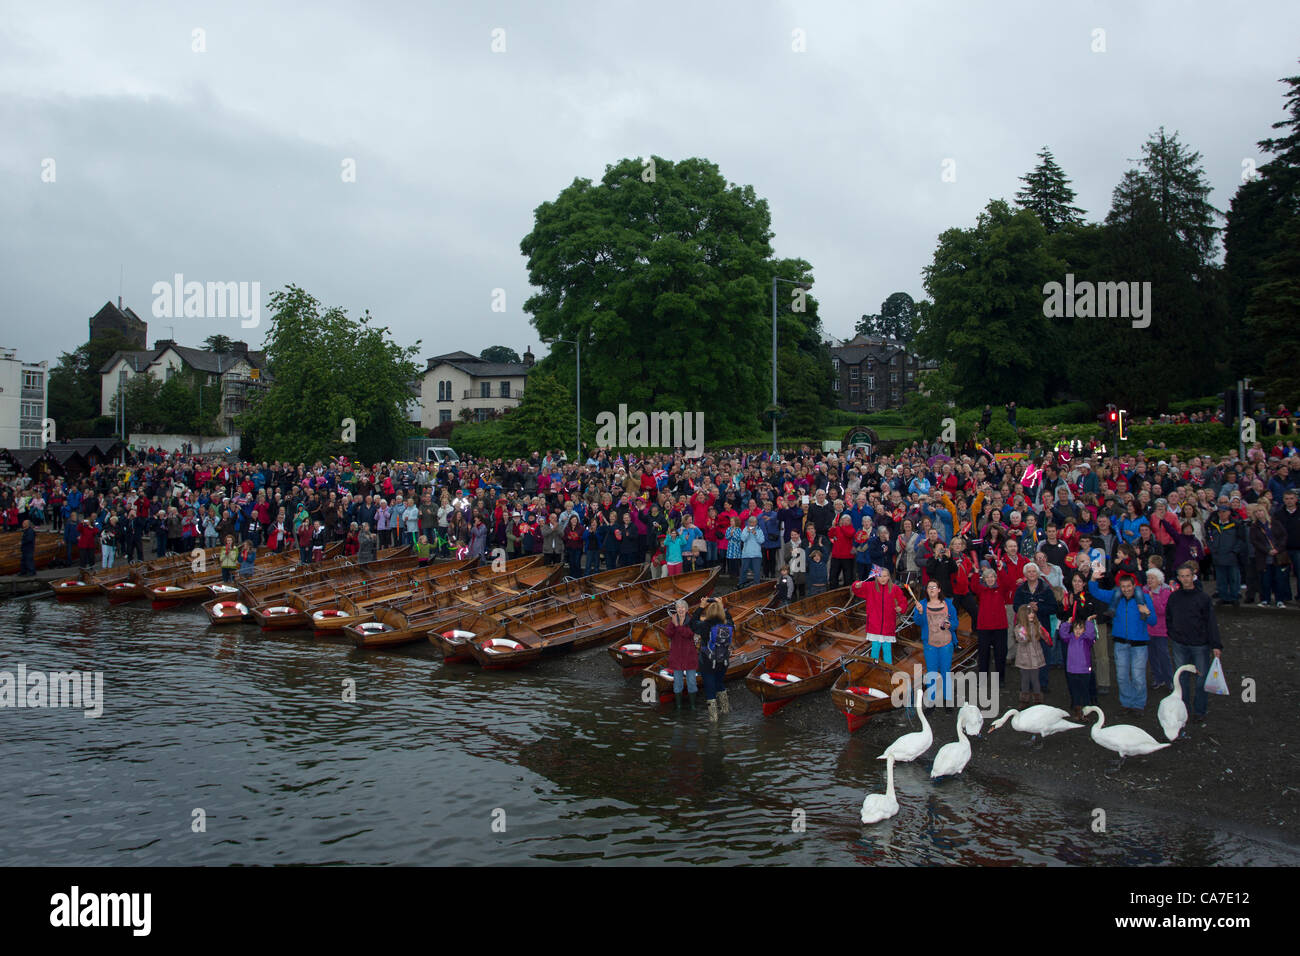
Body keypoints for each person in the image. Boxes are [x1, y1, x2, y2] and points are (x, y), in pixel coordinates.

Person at [1088, 566, 1155, 714]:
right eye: (1123, 587)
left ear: (1134, 585)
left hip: (1139, 644)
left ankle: (1138, 704)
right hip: (1120, 643)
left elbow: (1153, 621)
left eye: (1128, 586)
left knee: (1138, 676)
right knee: (1122, 676)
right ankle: (1126, 703)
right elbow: (1095, 591)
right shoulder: (1114, 597)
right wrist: (1093, 578)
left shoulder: (1144, 599)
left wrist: (1147, 613)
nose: (1126, 589)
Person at [1165, 561, 1223, 725]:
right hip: (1180, 643)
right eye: (1182, 576)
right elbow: (1169, 618)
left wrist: (1216, 645)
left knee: (1201, 679)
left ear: (1193, 576)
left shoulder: (1203, 598)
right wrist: (1173, 633)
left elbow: (1211, 622)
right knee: (1181, 679)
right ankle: (1185, 710)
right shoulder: (1174, 597)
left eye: (1188, 576)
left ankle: (1200, 710)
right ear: (1178, 578)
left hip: (1199, 644)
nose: (1185, 579)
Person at [913, 579, 958, 709]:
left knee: (946, 672)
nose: (931, 589)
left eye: (934, 587)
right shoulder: (922, 604)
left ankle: (948, 700)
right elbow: (918, 622)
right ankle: (931, 702)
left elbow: (955, 622)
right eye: (929, 587)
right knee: (931, 673)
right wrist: (920, 612)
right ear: (926, 590)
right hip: (930, 644)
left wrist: (951, 625)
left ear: (939, 589)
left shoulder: (948, 604)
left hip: (946, 643)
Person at [851, 567, 908, 665]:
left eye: (885, 576)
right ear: (876, 577)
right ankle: (873, 668)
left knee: (887, 650)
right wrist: (856, 585)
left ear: (889, 577)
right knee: (875, 649)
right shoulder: (870, 586)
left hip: (888, 625)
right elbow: (857, 589)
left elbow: (903, 601)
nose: (883, 578)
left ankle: (888, 668)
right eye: (880, 576)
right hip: (874, 625)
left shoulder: (895, 588)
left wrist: (901, 608)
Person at [690, 597, 735, 722]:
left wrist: (701, 606)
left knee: (710, 690)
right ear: (721, 611)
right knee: (720, 683)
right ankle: (725, 710)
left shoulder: (704, 626)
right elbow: (730, 619)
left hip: (707, 661)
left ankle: (713, 719)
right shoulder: (728, 624)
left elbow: (692, 624)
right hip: (723, 661)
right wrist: (722, 606)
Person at [1058, 612, 1098, 720]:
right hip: (1072, 670)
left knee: (1084, 690)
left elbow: (1091, 634)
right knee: (1075, 691)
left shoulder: (1086, 640)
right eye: (1076, 628)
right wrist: (1067, 623)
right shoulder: (1069, 638)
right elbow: (1062, 633)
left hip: (1084, 670)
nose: (1078, 630)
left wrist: (1089, 622)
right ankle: (1078, 709)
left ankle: (1085, 710)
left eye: (1081, 628)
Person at [1144, 566, 1174, 690]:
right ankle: (1158, 678)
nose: (1150, 580)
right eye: (1148, 578)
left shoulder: (1166, 592)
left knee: (1163, 655)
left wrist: (1152, 600)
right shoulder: (1144, 591)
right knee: (1152, 656)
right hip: (1148, 629)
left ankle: (1169, 680)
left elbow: (1163, 610)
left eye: (1153, 578)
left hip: (1161, 629)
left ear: (1159, 580)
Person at [1012, 603, 1049, 705]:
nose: (1032, 615)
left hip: (1036, 657)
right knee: (1025, 679)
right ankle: (1024, 699)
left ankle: (1038, 698)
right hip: (1024, 658)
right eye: (1029, 613)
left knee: (1035, 678)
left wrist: (1044, 634)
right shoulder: (1019, 628)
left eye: (1032, 612)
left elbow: (1044, 636)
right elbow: (1021, 640)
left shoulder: (1037, 625)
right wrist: (1024, 634)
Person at [664, 599, 698, 710]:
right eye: (678, 607)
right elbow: (668, 633)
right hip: (676, 657)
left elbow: (688, 634)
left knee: (692, 682)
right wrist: (673, 625)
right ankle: (678, 706)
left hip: (690, 657)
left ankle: (693, 706)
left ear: (687, 609)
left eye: (683, 607)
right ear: (676, 609)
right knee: (678, 683)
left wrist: (677, 625)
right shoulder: (673, 620)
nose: (681, 609)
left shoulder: (692, 621)